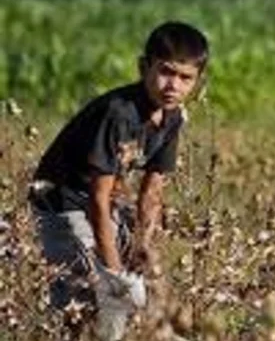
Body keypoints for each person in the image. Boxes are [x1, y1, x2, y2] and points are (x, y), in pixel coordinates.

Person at [28, 21, 209, 339]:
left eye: (185, 78)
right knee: (84, 291)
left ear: (197, 82)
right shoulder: (120, 113)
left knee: (142, 285)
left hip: (108, 200)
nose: (173, 86)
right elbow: (97, 198)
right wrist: (112, 273)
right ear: (144, 67)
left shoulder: (172, 117)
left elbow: (152, 191)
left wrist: (143, 248)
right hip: (63, 199)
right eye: (166, 72)